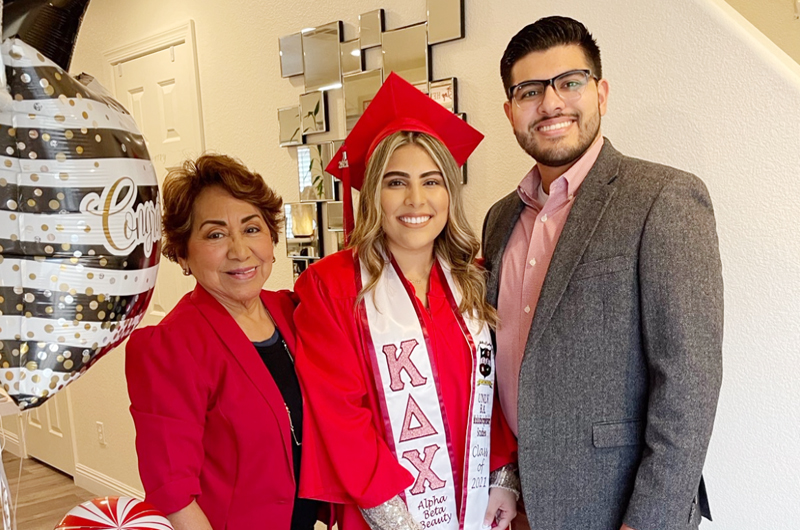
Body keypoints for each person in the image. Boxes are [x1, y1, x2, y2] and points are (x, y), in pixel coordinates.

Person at [482, 16, 724, 530]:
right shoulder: (499, 218)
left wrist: (649, 521)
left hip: (614, 507)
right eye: (529, 91)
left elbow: (689, 382)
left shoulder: (663, 198)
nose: (550, 104)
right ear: (510, 111)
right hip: (514, 504)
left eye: (569, 82)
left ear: (601, 92)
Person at [294, 73, 519, 530]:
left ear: (449, 193)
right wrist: (397, 520)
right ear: (373, 192)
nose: (416, 200)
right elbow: (339, 416)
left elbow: (490, 391)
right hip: (385, 513)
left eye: (432, 181)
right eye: (396, 182)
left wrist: (503, 478)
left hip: (478, 505)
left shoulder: (470, 277)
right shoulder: (331, 285)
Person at [125, 154, 320, 530]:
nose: (239, 250)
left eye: (251, 229)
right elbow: (174, 496)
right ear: (182, 253)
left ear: (272, 238)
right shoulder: (169, 346)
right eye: (215, 234)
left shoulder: (294, 312)